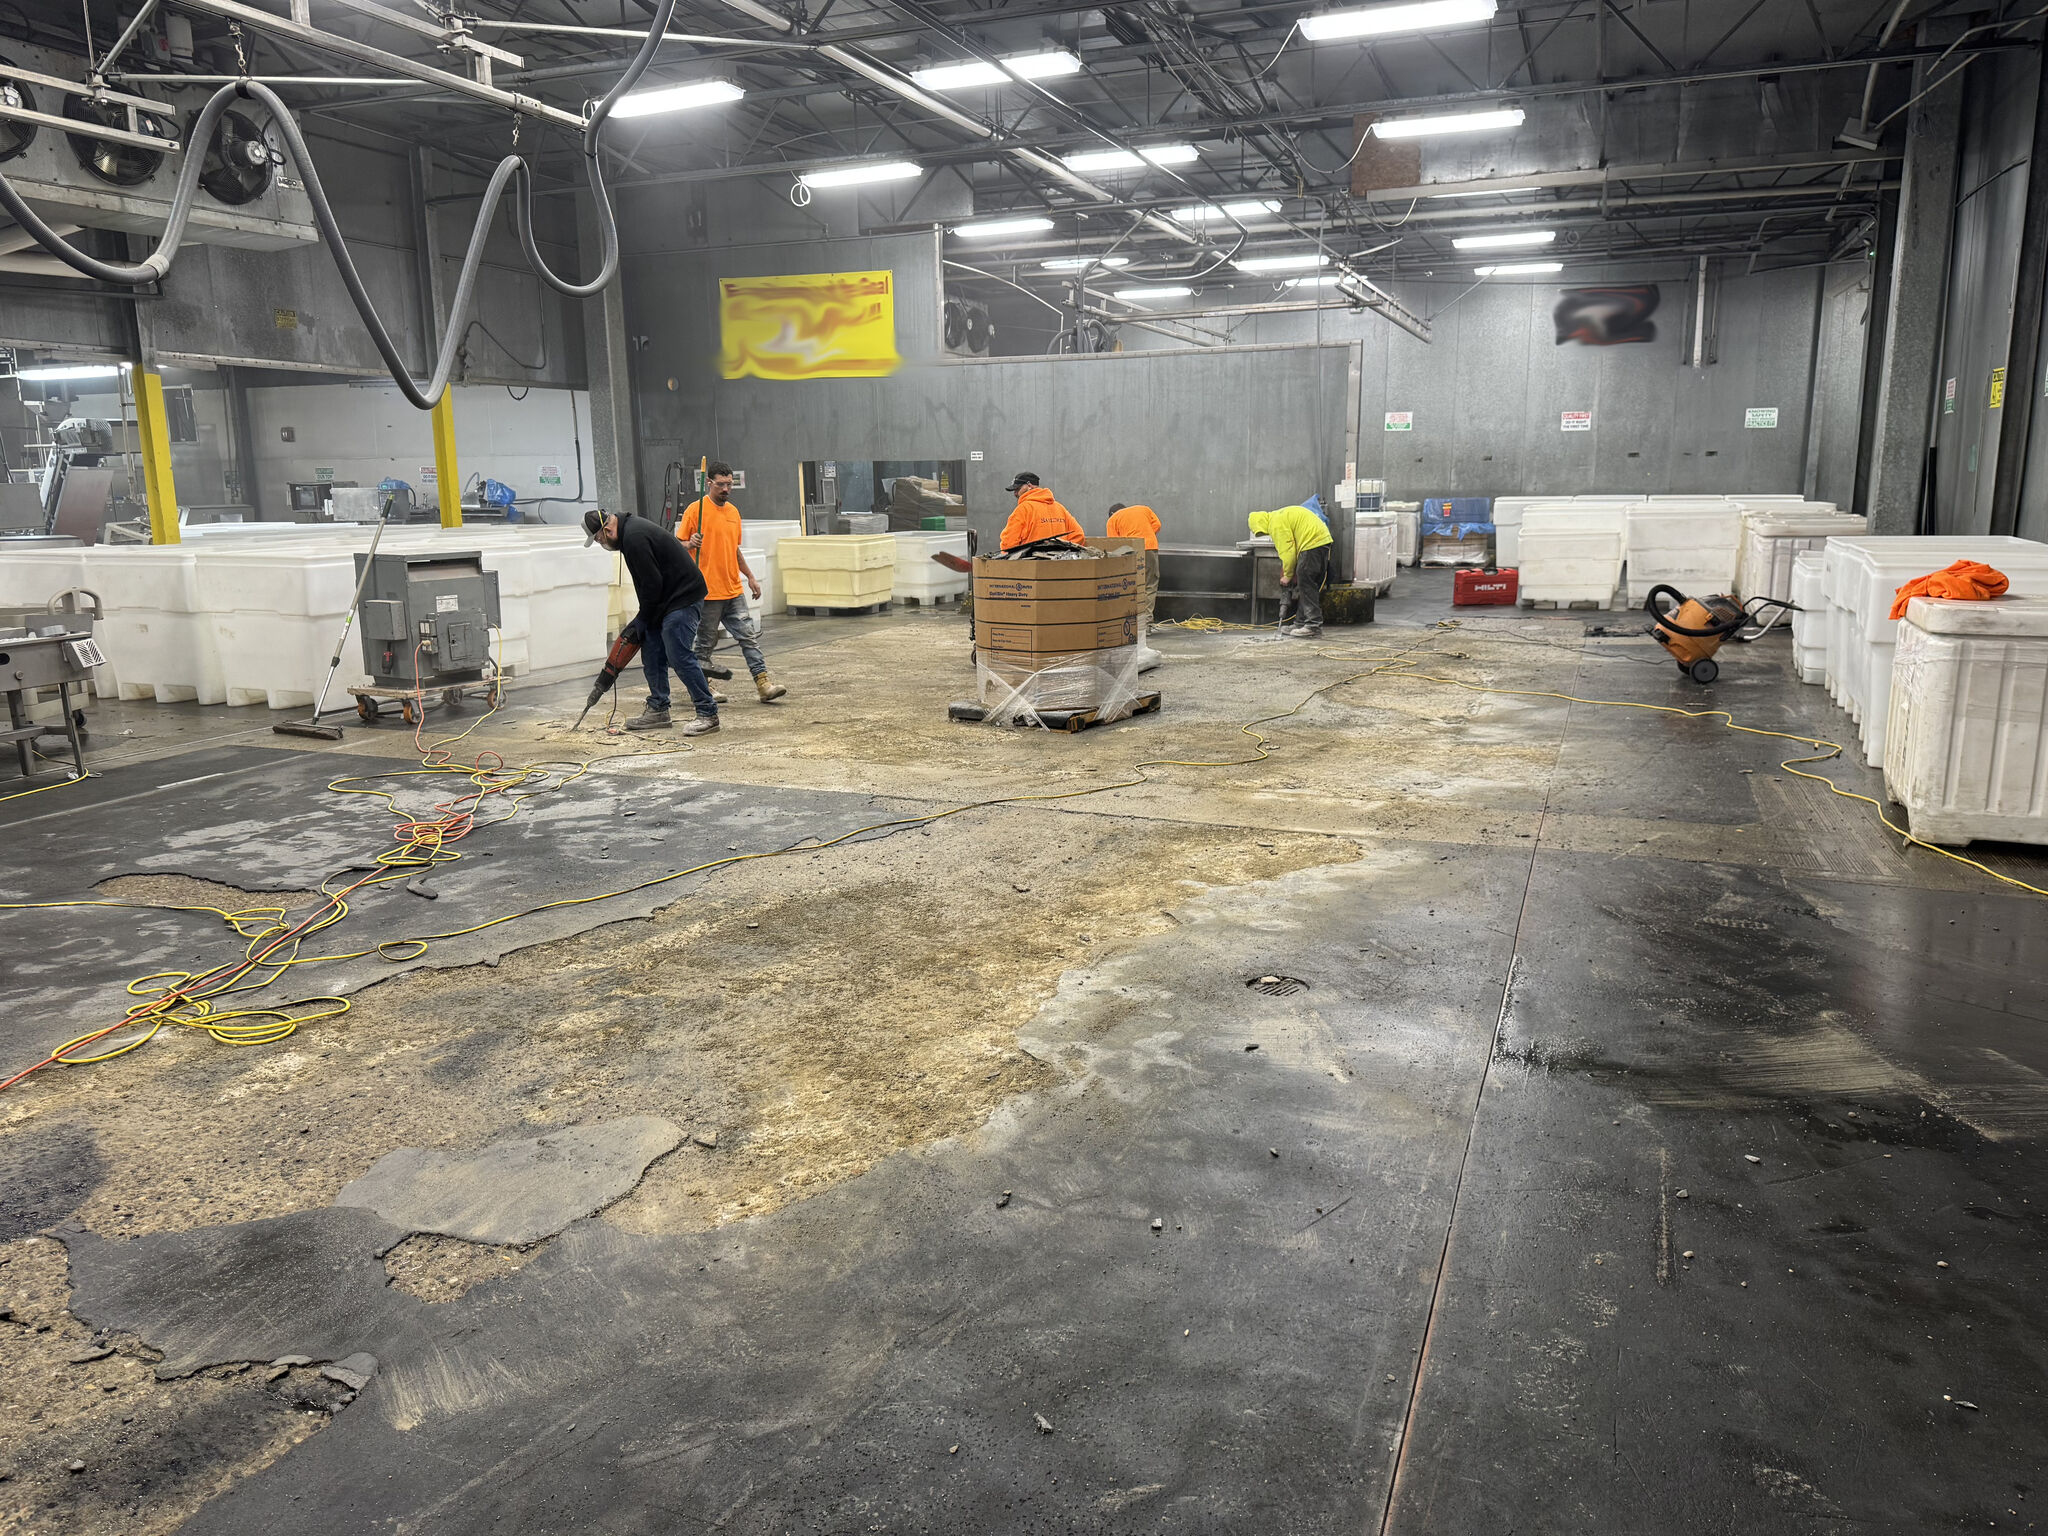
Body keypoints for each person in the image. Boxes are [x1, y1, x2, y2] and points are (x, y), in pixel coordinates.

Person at [583, 507, 720, 734]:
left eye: (599, 540)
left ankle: (708, 713)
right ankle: (658, 709)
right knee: (651, 648)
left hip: (683, 596)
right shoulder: (627, 533)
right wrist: (643, 621)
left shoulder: (635, 537)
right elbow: (648, 583)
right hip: (665, 599)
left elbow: (652, 584)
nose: (601, 544)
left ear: (607, 529)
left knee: (678, 654)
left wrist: (643, 618)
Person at [678, 460, 786, 704]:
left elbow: (734, 550)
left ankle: (763, 684)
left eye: (729, 484)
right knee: (704, 644)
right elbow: (678, 545)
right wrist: (689, 543)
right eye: (721, 485)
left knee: (748, 637)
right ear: (709, 483)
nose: (726, 489)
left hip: (733, 589)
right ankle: (703, 688)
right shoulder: (696, 511)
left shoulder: (733, 513)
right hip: (706, 593)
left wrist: (749, 576)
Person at [1247, 506, 1333, 639]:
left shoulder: (1275, 524)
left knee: (1306, 584)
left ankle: (1313, 625)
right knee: (1306, 585)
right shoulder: (1278, 516)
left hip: (1312, 543)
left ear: (1260, 524)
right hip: (1321, 542)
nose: (1265, 534)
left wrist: (1287, 575)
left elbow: (1288, 553)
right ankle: (1300, 623)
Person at [1105, 502, 1162, 623]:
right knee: (1149, 584)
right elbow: (1157, 525)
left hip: (1129, 552)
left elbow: (1114, 542)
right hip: (1149, 547)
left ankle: (1129, 620)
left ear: (1111, 514)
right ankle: (1146, 622)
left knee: (1129, 584)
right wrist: (1144, 536)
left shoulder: (1113, 519)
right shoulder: (1144, 508)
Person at [999, 472, 1085, 550]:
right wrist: (1062, 552)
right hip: (1060, 565)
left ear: (1029, 485)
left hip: (1032, 565)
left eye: (1017, 489)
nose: (1015, 493)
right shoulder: (1059, 508)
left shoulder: (1023, 509)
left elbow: (1008, 544)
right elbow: (1078, 535)